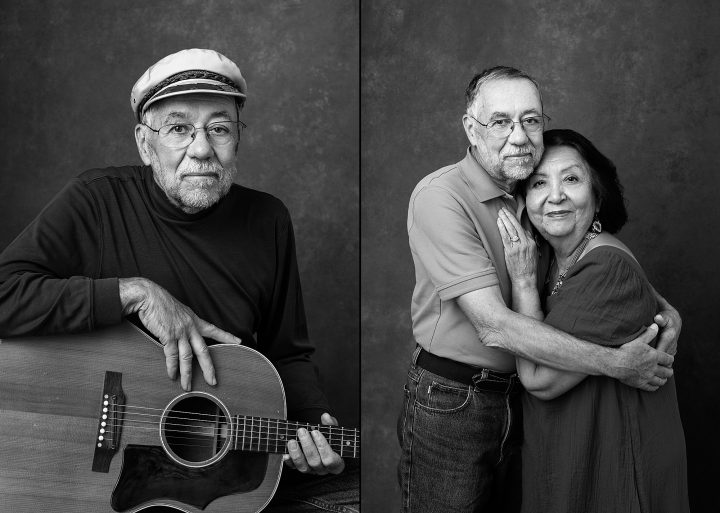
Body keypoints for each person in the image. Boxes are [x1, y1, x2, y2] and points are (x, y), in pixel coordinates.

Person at [0, 48, 358, 512]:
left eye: (220, 127)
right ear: (145, 145)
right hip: (89, 476)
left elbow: (286, 351)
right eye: (178, 128)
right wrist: (135, 294)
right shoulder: (94, 201)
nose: (203, 148)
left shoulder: (267, 219)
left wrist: (313, 428)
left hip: (215, 473)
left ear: (237, 140)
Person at [398, 66, 681, 513]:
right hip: (456, 401)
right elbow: (494, 326)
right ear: (471, 129)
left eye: (531, 120)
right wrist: (615, 363)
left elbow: (599, 272)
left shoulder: (531, 195)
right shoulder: (441, 197)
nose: (519, 135)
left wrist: (667, 314)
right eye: (501, 121)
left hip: (524, 400)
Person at [496, 128, 689, 513]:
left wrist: (521, 281)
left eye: (571, 179)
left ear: (597, 196)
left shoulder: (604, 266)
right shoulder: (557, 257)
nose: (555, 196)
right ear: (523, 201)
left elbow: (538, 379)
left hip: (610, 463)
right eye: (538, 183)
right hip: (575, 451)